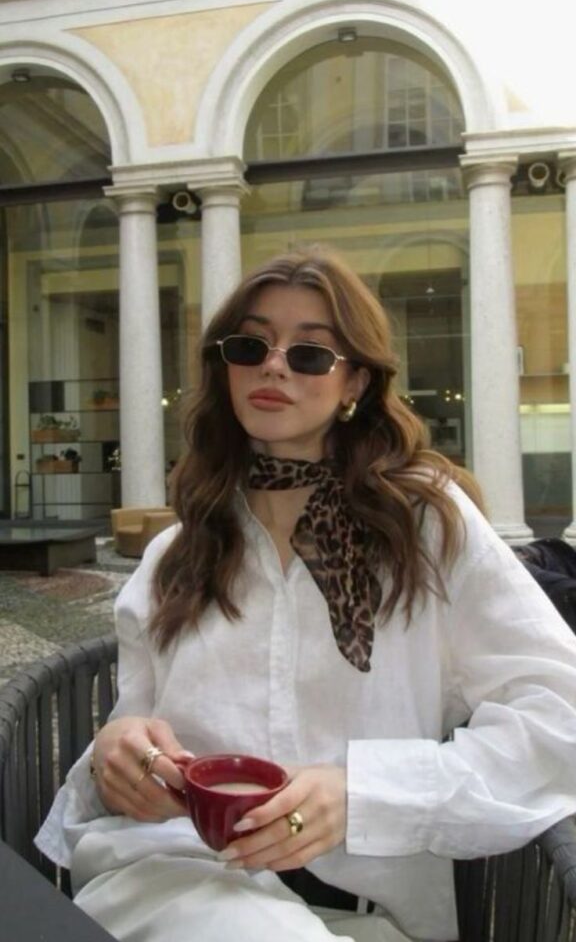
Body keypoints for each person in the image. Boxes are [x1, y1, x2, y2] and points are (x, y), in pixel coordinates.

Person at [37, 246, 576, 942]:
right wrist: (115, 756)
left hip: (370, 917)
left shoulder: (425, 529)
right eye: (250, 344)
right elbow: (137, 730)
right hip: (178, 878)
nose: (273, 364)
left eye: (311, 354)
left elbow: (560, 720)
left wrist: (362, 794)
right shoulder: (182, 549)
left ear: (353, 379)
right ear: (224, 366)